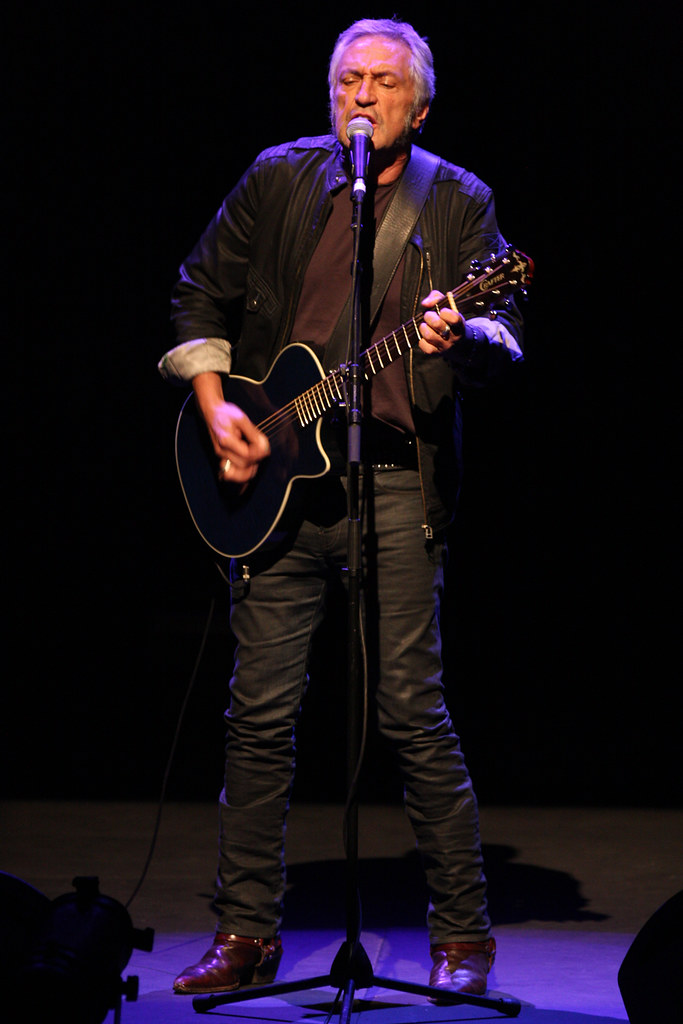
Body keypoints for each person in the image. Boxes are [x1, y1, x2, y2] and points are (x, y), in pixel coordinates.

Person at [158, 17, 524, 1000]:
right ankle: (246, 934)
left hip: (397, 482)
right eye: (346, 79)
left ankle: (464, 935)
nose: (360, 94)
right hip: (274, 487)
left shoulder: (458, 202)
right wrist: (219, 410)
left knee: (409, 711)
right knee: (257, 716)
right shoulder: (280, 177)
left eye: (381, 81)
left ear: (419, 101)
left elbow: (506, 339)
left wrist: (462, 337)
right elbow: (198, 293)